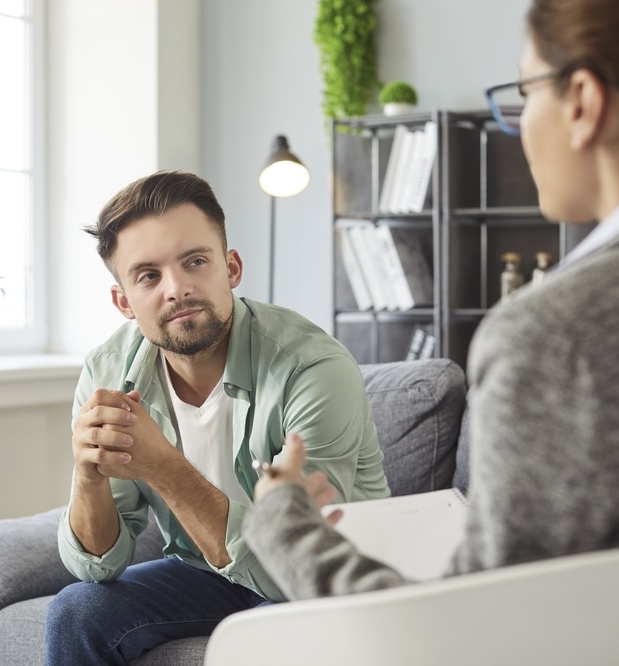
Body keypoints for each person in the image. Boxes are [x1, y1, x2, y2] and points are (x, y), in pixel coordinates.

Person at [244, 0, 619, 600]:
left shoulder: (555, 337)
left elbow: (464, 640)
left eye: (526, 93)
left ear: (582, 102)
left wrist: (281, 521)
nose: (522, 121)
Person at [45, 170, 390, 662]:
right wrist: (88, 475)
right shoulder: (108, 372)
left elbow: (302, 566)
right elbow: (98, 565)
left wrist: (161, 465)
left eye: (195, 262)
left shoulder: (314, 368)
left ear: (230, 268)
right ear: (124, 301)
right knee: (77, 611)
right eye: (148, 275)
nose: (177, 288)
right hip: (210, 574)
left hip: (336, 578)